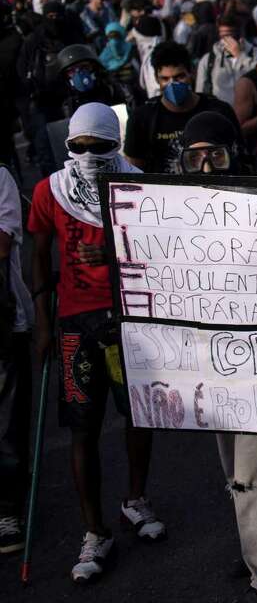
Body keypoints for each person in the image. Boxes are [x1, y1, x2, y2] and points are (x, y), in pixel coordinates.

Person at [27, 103, 164, 583]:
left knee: (138, 414)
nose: (88, 155)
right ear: (68, 146)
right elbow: (38, 253)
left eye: (99, 147)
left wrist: (111, 250)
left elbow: (162, 246)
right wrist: (43, 321)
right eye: (78, 147)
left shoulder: (137, 182)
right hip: (75, 323)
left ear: (116, 145)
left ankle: (136, 499)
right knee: (82, 426)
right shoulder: (51, 190)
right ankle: (93, 530)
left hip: (129, 316)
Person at [176, 112, 257, 602]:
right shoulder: (173, 207)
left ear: (235, 152)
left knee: (255, 473)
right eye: (195, 157)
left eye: (217, 155)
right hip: (207, 361)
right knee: (236, 473)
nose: (206, 167)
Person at [124, 42, 240, 174]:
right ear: (157, 79)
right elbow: (133, 171)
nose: (172, 84)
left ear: (191, 73)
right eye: (165, 79)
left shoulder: (219, 110)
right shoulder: (142, 118)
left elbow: (239, 159)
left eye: (179, 76)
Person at [0, 161, 34, 553]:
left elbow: (2, 242)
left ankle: (7, 508)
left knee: (8, 423)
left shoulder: (1, 178)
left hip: (5, 321)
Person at [196, 13, 257, 106]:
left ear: (240, 35)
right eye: (223, 36)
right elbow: (200, 93)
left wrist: (240, 57)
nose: (227, 41)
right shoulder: (208, 59)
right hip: (220, 114)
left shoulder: (255, 54)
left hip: (248, 113)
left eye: (231, 36)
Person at [97, 22, 143, 111]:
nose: (114, 41)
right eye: (111, 37)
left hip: (136, 91)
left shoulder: (131, 51)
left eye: (116, 36)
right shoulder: (104, 57)